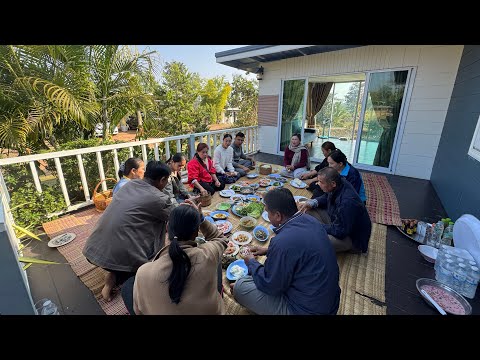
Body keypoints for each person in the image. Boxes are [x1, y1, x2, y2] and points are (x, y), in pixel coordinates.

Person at [232, 187, 340, 315]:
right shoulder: (311, 220)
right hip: (326, 301)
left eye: (268, 212)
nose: (267, 215)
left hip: (305, 310)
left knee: (240, 286)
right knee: (253, 277)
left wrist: (250, 261)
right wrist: (267, 250)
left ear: (278, 215)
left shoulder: (282, 242)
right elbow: (299, 250)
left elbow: (271, 285)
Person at [83, 161, 174, 302]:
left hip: (94, 249)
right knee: (154, 271)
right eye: (167, 180)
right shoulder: (159, 199)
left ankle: (112, 276)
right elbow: (178, 218)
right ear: (162, 180)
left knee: (135, 229)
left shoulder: (129, 184)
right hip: (120, 252)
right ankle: (121, 274)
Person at [123, 200, 228, 315]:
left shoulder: (143, 272)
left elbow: (138, 311)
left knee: (128, 286)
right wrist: (201, 219)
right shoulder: (208, 255)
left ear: (167, 227)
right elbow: (221, 239)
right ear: (197, 232)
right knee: (216, 261)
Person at [299, 167, 372, 254]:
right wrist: (312, 203)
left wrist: (317, 226)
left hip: (351, 238)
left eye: (320, 182)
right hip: (338, 222)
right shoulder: (340, 181)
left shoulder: (347, 202)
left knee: (314, 239)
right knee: (308, 209)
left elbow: (340, 231)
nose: (318, 184)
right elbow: (327, 196)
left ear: (333, 183)